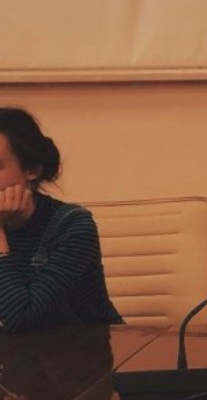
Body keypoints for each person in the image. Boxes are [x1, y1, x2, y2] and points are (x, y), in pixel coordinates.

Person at [0, 107, 121, 331]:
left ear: (32, 170)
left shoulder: (73, 225)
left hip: (86, 346)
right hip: (19, 351)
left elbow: (23, 317)